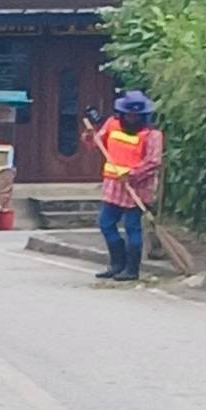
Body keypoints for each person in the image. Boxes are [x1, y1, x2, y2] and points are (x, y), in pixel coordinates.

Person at [86, 90, 164, 282]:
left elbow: (153, 162)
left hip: (137, 189)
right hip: (113, 187)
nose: (132, 118)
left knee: (132, 229)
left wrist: (132, 174)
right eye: (129, 115)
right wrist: (90, 136)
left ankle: (131, 269)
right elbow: (96, 144)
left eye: (137, 115)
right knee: (106, 224)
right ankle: (116, 264)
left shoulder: (152, 135)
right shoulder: (112, 125)